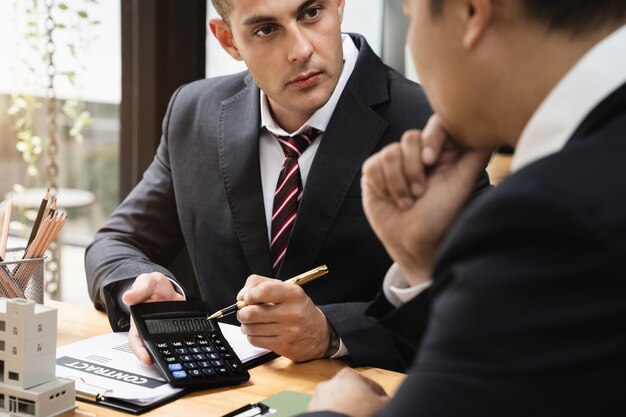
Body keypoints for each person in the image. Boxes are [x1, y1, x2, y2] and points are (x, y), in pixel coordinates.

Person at [303, 0, 626, 416]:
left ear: (471, 12)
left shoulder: (550, 215)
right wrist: (425, 264)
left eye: (411, 16)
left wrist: (339, 412)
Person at [85, 0, 442, 369]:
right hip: (217, 396)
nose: (301, 50)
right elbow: (115, 243)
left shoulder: (430, 120)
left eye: (311, 12)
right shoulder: (193, 111)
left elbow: (476, 297)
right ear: (228, 41)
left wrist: (332, 332)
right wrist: (143, 289)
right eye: (266, 30)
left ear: (339, 4)